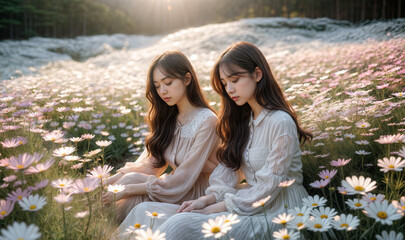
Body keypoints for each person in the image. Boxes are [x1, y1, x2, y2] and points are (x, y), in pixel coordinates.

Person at [121, 41, 312, 239]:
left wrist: (216, 208)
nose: (229, 89)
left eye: (235, 80)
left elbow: (269, 187)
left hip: (279, 210)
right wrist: (207, 200)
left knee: (181, 223)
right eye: (224, 83)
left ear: (257, 74)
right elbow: (227, 170)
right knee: (143, 211)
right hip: (245, 200)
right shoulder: (242, 122)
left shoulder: (280, 122)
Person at [102, 50, 219, 224]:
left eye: (168, 83)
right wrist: (104, 182)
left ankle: (108, 228)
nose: (162, 91)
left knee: (131, 189)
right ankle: (96, 224)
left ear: (187, 79)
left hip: (198, 192)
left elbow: (184, 178)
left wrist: (127, 190)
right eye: (157, 86)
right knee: (129, 179)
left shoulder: (207, 120)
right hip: (174, 186)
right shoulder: (169, 118)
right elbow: (151, 163)